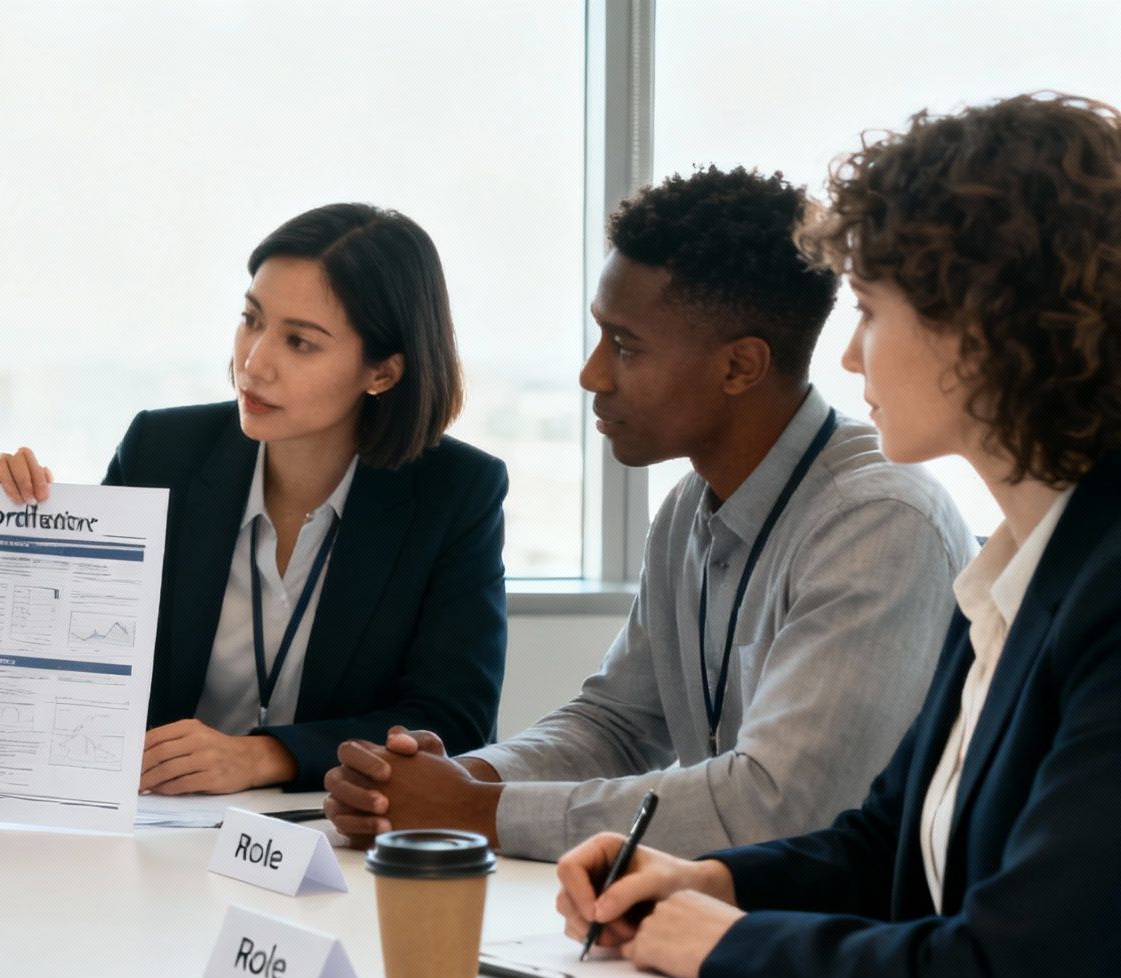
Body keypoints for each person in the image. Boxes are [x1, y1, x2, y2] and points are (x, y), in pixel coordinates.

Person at [552, 94, 1121, 978]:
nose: (848, 358)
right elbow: (879, 846)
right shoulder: (1017, 567)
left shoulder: (1103, 594)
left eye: (866, 309)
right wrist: (710, 879)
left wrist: (720, 944)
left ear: (982, 326)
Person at [326, 168, 975, 859]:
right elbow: (616, 724)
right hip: (723, 921)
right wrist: (455, 779)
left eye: (625, 346)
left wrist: (480, 811)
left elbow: (779, 806)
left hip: (845, 942)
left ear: (740, 367)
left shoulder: (879, 521)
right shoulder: (690, 509)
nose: (592, 374)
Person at [0, 204, 506, 794]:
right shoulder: (160, 452)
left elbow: (454, 722)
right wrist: (6, 541)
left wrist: (265, 756)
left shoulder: (455, 492)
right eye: (252, 320)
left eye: (300, 342)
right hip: (157, 820)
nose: (253, 363)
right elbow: (69, 657)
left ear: (382, 372)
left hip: (326, 832)